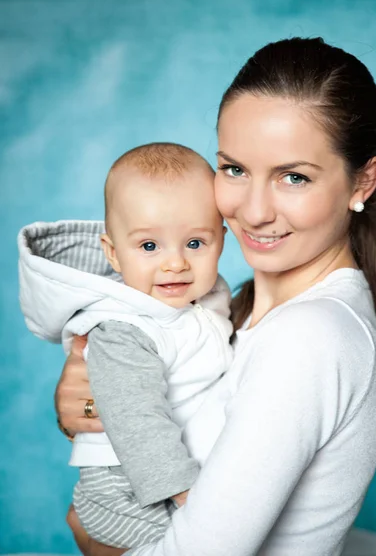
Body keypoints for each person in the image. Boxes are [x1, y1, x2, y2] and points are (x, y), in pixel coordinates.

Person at [56, 37, 376, 556]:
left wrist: (95, 541)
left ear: (363, 182)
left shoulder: (310, 335)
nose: (254, 210)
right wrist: (91, 404)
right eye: (235, 169)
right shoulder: (225, 315)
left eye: (294, 177)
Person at [18, 143, 233, 550]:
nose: (175, 263)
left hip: (169, 469)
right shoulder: (123, 330)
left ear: (221, 240)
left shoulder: (208, 300)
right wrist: (190, 495)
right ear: (113, 254)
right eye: (149, 246)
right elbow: (138, 421)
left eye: (194, 243)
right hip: (125, 486)